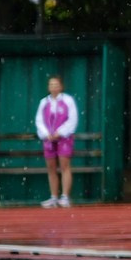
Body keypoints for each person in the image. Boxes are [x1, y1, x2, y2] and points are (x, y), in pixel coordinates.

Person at [36, 75, 80, 208]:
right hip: (49, 139)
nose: (54, 87)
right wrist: (46, 134)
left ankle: (65, 196)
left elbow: (72, 119)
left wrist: (59, 133)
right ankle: (54, 197)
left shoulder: (68, 100)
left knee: (65, 166)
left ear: (61, 86)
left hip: (64, 138)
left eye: (56, 84)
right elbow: (39, 121)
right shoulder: (43, 102)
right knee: (51, 168)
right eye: (51, 85)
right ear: (48, 87)